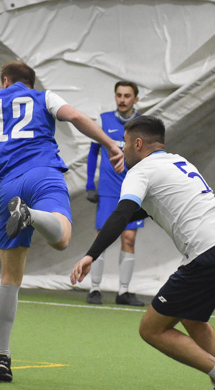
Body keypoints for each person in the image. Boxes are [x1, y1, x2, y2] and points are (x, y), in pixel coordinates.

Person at [0, 61, 124, 383]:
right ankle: (31, 215)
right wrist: (111, 145)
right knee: (62, 238)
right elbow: (75, 116)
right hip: (43, 174)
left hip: (9, 187)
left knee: (10, 277)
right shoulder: (44, 97)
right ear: (30, 82)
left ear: (5, 81)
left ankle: (2, 355)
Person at [70, 115, 215, 390]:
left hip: (209, 251)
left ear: (138, 144)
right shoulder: (178, 161)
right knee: (193, 319)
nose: (122, 149)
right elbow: (145, 208)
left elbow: (123, 213)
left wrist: (91, 254)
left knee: (151, 329)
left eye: (125, 143)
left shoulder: (140, 171)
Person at [85, 81, 145, 306]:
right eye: (119, 95)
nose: (122, 99)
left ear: (135, 99)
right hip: (108, 190)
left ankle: (124, 292)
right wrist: (90, 185)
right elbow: (93, 153)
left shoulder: (143, 125)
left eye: (127, 96)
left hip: (133, 191)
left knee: (129, 238)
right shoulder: (103, 120)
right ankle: (94, 289)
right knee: (102, 236)